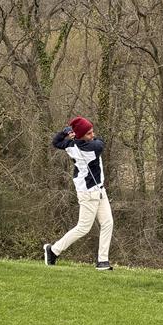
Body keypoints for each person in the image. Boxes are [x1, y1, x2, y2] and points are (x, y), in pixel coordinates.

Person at [44, 116, 114, 270]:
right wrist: (74, 134)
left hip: (99, 189)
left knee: (108, 223)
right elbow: (101, 143)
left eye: (92, 131)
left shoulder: (71, 144)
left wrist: (65, 132)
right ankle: (53, 250)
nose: (93, 135)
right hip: (88, 192)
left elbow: (56, 142)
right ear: (81, 136)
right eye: (89, 133)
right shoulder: (91, 148)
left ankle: (103, 261)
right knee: (83, 227)